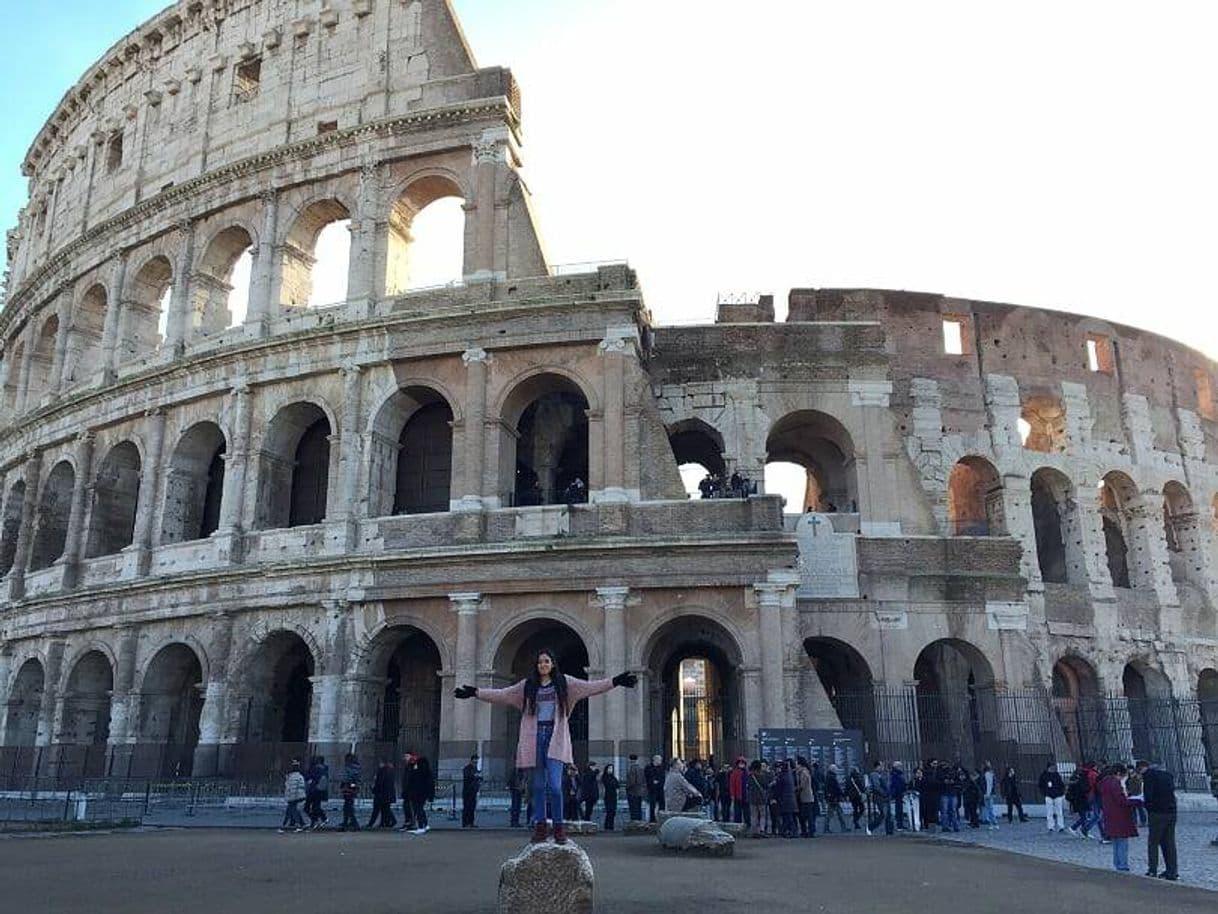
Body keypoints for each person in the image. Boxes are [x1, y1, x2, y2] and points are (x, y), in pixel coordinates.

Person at [454, 648, 636, 844]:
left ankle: (558, 828)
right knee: (538, 787)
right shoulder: (527, 686)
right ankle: (540, 827)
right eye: (540, 662)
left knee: (556, 787)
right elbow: (503, 694)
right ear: (537, 665)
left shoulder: (565, 683)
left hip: (555, 738)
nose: (543, 665)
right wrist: (475, 692)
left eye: (547, 661)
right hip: (534, 739)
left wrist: (615, 681)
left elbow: (590, 687)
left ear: (553, 664)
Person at [1137, 759, 1178, 880]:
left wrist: (1148, 807)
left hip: (1157, 813)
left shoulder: (1148, 776)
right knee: (1169, 842)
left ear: (1141, 769)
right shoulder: (1167, 775)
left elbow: (1148, 796)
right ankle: (1172, 871)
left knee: (1153, 842)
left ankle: (1152, 869)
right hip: (1171, 811)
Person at [1099, 762, 1141, 872]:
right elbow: (1121, 800)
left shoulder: (1105, 782)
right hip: (1119, 815)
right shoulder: (1115, 783)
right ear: (1118, 773)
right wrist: (1136, 801)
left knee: (1116, 842)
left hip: (1110, 814)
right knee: (1122, 842)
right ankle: (1122, 864)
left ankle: (1118, 863)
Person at [404, 754, 434, 835]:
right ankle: (425, 825)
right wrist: (431, 795)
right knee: (420, 809)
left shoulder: (417, 771)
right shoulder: (428, 772)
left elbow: (411, 782)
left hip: (416, 794)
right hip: (423, 794)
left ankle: (421, 826)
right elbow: (431, 784)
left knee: (418, 809)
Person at [367, 759, 397, 829]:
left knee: (377, 809)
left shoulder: (382, 771)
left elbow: (379, 783)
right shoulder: (389, 771)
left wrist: (374, 789)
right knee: (385, 809)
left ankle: (372, 823)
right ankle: (385, 822)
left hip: (381, 794)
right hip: (387, 794)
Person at [280, 759, 307, 833]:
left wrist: (289, 797)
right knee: (293, 811)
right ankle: (302, 824)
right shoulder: (300, 776)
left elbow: (291, 788)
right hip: (299, 796)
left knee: (291, 811)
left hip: (294, 797)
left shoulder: (292, 777)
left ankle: (287, 826)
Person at [1038, 762, 1067, 833]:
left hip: (1057, 795)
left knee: (1059, 812)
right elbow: (1040, 785)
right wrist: (1045, 793)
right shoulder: (1044, 775)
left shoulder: (1057, 775)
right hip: (1048, 795)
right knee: (1049, 812)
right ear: (1048, 768)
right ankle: (1051, 827)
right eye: (1052, 767)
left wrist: (1061, 792)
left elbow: (1061, 784)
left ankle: (1061, 826)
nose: (1053, 769)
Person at [305, 755, 329, 829]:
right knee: (316, 807)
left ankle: (316, 820)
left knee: (308, 807)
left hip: (313, 790)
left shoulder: (315, 769)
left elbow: (308, 777)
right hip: (320, 791)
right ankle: (318, 820)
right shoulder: (324, 770)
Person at [868, 761, 893, 835]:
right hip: (880, 797)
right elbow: (877, 786)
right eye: (881, 766)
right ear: (877, 766)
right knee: (883, 814)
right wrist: (884, 793)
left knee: (888, 814)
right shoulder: (874, 774)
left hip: (884, 797)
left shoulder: (881, 774)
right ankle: (871, 827)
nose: (883, 767)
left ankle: (889, 831)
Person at [339, 752, 361, 831]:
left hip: (348, 789)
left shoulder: (350, 769)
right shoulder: (356, 768)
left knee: (348, 807)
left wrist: (347, 786)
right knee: (348, 806)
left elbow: (349, 779)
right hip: (351, 789)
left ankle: (352, 824)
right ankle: (348, 823)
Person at [823, 764, 848, 833]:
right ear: (833, 770)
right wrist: (842, 795)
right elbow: (836, 788)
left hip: (831, 798)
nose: (836, 771)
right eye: (835, 769)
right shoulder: (832, 778)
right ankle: (843, 827)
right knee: (837, 813)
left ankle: (827, 828)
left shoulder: (828, 777)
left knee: (832, 813)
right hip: (834, 798)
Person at [747, 760, 769, 837]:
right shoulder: (761, 776)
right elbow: (766, 786)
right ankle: (761, 830)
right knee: (762, 815)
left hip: (752, 798)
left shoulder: (750, 777)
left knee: (753, 815)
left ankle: (754, 831)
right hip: (761, 798)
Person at [397, 753, 417, 832]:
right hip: (407, 790)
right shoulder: (408, 766)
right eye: (404, 756)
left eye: (406, 756)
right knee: (406, 807)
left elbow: (411, 779)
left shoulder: (413, 765)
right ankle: (408, 823)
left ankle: (411, 823)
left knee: (410, 808)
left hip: (411, 791)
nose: (405, 758)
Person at [461, 754, 482, 827]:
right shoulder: (467, 768)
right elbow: (467, 777)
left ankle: (471, 822)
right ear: (472, 760)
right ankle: (465, 823)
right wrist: (475, 776)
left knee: (472, 807)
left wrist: (479, 778)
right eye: (475, 760)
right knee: (467, 807)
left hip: (473, 791)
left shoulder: (475, 768)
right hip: (467, 791)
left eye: (477, 760)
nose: (476, 762)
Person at [644, 754, 666, 823]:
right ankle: (652, 819)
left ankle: (661, 818)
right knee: (652, 805)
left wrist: (658, 781)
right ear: (655, 760)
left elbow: (662, 778)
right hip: (652, 790)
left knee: (662, 805)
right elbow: (648, 778)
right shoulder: (648, 767)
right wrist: (653, 781)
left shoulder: (661, 768)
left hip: (660, 789)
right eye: (659, 760)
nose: (661, 761)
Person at [625, 754, 646, 821]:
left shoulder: (632, 769)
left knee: (633, 809)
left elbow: (632, 781)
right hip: (639, 791)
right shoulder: (640, 769)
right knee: (638, 808)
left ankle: (634, 823)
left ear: (630, 760)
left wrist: (627, 787)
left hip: (632, 792)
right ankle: (639, 822)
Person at [847, 765, 867, 831]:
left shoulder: (849, 778)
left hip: (852, 796)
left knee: (855, 809)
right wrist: (864, 791)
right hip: (857, 795)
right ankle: (856, 820)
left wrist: (846, 795)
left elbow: (847, 787)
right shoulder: (857, 777)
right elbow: (860, 786)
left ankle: (856, 823)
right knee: (862, 808)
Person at [729, 757, 748, 825]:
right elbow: (732, 785)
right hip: (738, 796)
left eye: (743, 763)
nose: (741, 764)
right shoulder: (734, 773)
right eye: (740, 763)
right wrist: (732, 795)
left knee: (747, 813)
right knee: (737, 813)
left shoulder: (747, 773)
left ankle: (747, 825)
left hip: (746, 796)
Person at [889, 761, 907, 831]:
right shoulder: (895, 774)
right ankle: (899, 825)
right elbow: (896, 784)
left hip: (898, 793)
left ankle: (900, 824)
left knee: (899, 809)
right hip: (898, 793)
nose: (901, 768)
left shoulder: (896, 774)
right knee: (898, 809)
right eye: (900, 766)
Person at [602, 763, 619, 830]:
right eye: (609, 768)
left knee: (613, 811)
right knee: (609, 811)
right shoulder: (605, 777)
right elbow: (609, 784)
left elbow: (617, 784)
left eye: (612, 768)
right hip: (608, 795)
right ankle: (607, 825)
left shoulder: (613, 777)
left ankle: (611, 825)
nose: (611, 770)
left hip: (613, 795)